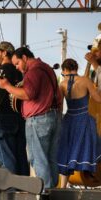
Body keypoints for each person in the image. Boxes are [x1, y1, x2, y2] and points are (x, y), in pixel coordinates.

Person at [0, 47, 62, 189]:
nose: (17, 67)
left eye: (17, 63)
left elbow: (27, 94)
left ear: (25, 58)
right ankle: (53, 191)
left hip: (38, 120)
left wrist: (6, 86)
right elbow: (59, 95)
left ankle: (45, 193)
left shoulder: (33, 71)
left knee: (38, 159)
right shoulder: (47, 68)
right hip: (54, 117)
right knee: (51, 158)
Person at [57, 58, 101, 188]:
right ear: (76, 68)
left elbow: (59, 107)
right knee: (93, 146)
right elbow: (98, 99)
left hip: (69, 120)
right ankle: (90, 172)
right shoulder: (85, 80)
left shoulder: (62, 84)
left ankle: (63, 187)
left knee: (68, 152)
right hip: (84, 120)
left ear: (64, 70)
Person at [0, 41, 29, 176]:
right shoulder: (20, 71)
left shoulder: (0, 71)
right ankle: (24, 188)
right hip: (20, 116)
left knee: (6, 154)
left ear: (4, 53)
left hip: (4, 116)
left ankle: (11, 189)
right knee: (20, 154)